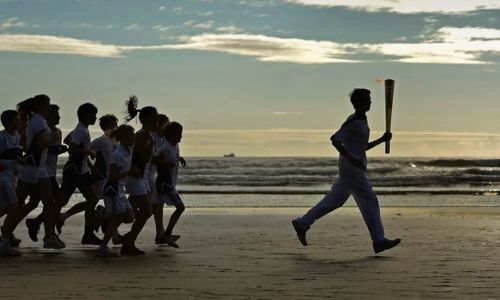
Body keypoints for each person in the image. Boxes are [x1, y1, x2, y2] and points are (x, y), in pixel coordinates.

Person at [292, 88, 401, 254]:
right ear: (358, 103)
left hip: (354, 168)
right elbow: (335, 140)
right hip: (352, 169)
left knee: (336, 200)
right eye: (367, 99)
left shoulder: (362, 120)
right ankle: (378, 240)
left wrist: (381, 140)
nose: (371, 102)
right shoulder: (353, 121)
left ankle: (303, 222)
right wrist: (352, 159)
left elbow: (361, 147)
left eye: (370, 99)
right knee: (370, 200)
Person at [1, 95, 64, 253]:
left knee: (49, 202)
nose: (50, 108)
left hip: (39, 167)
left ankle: (49, 238)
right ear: (40, 106)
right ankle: (5, 241)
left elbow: (26, 143)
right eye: (48, 105)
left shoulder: (38, 120)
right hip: (31, 169)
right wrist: (54, 139)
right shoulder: (38, 121)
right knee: (17, 205)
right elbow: (42, 144)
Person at [54, 103, 101, 245]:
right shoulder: (81, 130)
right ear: (86, 116)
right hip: (75, 170)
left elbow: (68, 140)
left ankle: (87, 234)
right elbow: (73, 148)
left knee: (91, 200)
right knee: (64, 201)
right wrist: (89, 152)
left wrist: (90, 167)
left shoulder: (81, 129)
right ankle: (41, 221)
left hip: (80, 170)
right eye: (93, 115)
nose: (95, 118)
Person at [25, 104, 67, 242]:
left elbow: (52, 149)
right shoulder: (44, 131)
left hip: (49, 171)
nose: (59, 117)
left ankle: (35, 223)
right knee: (57, 201)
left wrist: (60, 149)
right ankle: (47, 232)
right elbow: (42, 148)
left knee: (34, 202)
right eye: (56, 115)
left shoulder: (58, 131)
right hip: (44, 172)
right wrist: (56, 148)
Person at [121, 96, 156, 255]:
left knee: (130, 210)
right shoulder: (142, 135)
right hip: (136, 178)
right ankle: (129, 242)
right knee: (147, 211)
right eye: (155, 117)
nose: (157, 119)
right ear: (148, 119)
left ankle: (106, 218)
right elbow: (142, 157)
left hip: (143, 178)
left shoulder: (149, 135)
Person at [97, 125, 138, 257]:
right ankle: (102, 248)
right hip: (112, 189)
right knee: (118, 218)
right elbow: (111, 175)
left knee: (130, 217)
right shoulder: (117, 154)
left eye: (133, 133)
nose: (132, 136)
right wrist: (129, 172)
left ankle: (103, 216)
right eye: (129, 134)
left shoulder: (129, 150)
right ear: (122, 137)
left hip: (120, 190)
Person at [152, 121, 185, 248]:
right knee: (180, 208)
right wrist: (167, 164)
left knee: (155, 208)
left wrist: (179, 158)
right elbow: (154, 160)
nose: (181, 136)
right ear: (170, 135)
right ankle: (167, 234)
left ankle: (162, 236)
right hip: (165, 184)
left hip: (169, 183)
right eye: (179, 134)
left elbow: (173, 156)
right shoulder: (164, 148)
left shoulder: (175, 146)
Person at [0, 110, 23, 256]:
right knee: (14, 207)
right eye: (17, 119)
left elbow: (16, 155)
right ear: (8, 122)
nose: (20, 121)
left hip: (13, 176)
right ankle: (5, 243)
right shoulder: (1, 137)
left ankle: (6, 236)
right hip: (2, 177)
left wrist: (21, 162)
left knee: (7, 208)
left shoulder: (17, 136)